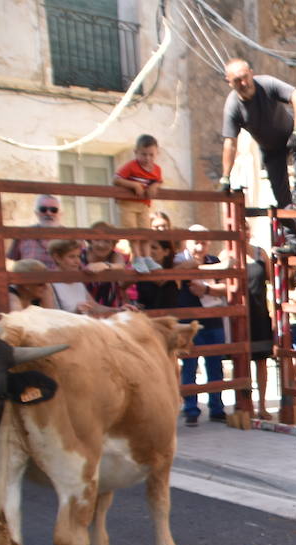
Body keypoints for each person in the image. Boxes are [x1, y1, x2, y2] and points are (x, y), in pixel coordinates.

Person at [220, 58, 296, 254]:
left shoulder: (267, 84)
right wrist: (225, 177)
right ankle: (294, 240)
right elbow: (229, 143)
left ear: (251, 73)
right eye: (237, 81)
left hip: (289, 134)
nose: (243, 84)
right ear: (229, 82)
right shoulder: (233, 106)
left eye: (245, 78)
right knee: (281, 195)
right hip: (270, 149)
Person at [177, 226, 229, 426]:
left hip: (213, 319)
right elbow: (178, 275)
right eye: (195, 242)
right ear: (187, 242)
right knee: (190, 364)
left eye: (204, 242)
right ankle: (191, 409)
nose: (200, 246)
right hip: (189, 320)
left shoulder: (214, 262)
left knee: (215, 364)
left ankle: (217, 408)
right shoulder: (179, 261)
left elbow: (225, 287)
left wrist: (207, 288)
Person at [112, 133, 165, 272]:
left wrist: (154, 186)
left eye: (151, 155)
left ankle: (147, 258)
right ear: (136, 153)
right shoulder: (131, 166)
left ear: (156, 153)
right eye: (143, 154)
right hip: (128, 205)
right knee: (133, 232)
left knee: (145, 232)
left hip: (144, 205)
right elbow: (116, 179)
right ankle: (137, 258)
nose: (147, 158)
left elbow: (159, 181)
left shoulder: (157, 169)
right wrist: (133, 185)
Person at [242, 221, 275, 420]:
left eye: (245, 228)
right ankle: (247, 405)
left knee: (262, 361)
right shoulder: (228, 256)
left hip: (260, 314)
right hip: (241, 317)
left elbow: (273, 279)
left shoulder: (260, 253)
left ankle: (262, 406)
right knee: (243, 362)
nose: (243, 232)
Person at [46, 239, 107, 316]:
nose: (77, 261)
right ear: (57, 258)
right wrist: (76, 312)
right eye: (72, 257)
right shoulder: (49, 285)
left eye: (78, 256)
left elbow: (95, 307)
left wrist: (119, 310)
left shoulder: (78, 281)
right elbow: (50, 317)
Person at [83, 223, 133, 310]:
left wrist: (105, 265)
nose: (101, 245)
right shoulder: (79, 255)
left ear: (113, 244)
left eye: (107, 241)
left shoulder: (115, 255)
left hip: (113, 308)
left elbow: (121, 266)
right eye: (97, 240)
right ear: (90, 240)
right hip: (86, 308)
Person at [8, 194, 62, 267]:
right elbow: (16, 263)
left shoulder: (73, 237)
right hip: (31, 278)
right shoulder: (23, 235)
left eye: (53, 210)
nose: (49, 213)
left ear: (60, 213)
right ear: (36, 213)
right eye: (43, 209)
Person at [134, 238, 179, 311]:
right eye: (147, 247)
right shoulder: (141, 268)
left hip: (168, 319)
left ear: (166, 252)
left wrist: (173, 273)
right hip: (145, 318)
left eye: (153, 248)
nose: (149, 251)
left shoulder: (175, 268)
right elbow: (122, 285)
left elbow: (194, 262)